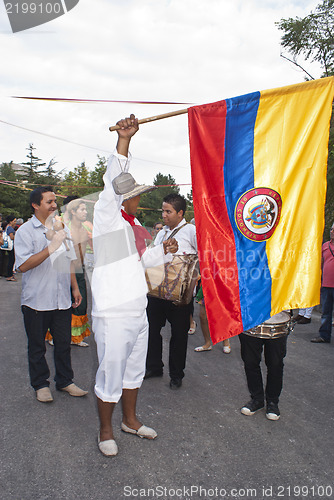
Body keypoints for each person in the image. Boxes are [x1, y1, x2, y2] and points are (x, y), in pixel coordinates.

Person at [91, 114, 178, 457]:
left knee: (133, 370)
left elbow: (139, 264)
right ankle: (105, 429)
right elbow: (113, 183)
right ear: (122, 199)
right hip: (114, 312)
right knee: (110, 372)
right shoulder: (107, 216)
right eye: (136, 194)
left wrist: (163, 251)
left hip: (137, 308)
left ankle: (129, 420)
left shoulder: (133, 225)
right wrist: (125, 142)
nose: (138, 199)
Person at [14, 186, 88, 403]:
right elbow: (23, 266)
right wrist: (51, 247)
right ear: (36, 205)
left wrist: (74, 287)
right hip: (37, 301)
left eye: (55, 201)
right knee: (37, 346)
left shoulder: (62, 229)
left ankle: (65, 381)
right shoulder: (25, 231)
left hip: (61, 300)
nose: (54, 205)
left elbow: (69, 261)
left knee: (64, 345)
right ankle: (40, 384)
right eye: (49, 202)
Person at [145, 193, 197, 389]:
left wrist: (195, 279)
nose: (164, 215)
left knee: (179, 335)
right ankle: (154, 366)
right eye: (163, 211)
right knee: (151, 330)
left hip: (181, 297)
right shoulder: (161, 233)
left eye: (168, 211)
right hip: (157, 292)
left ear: (180, 213)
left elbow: (203, 256)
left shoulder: (190, 231)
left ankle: (176, 375)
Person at [46, 199, 91, 347]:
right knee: (61, 304)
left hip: (80, 270)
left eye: (85, 209)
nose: (85, 212)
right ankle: (54, 334)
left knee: (81, 304)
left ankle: (76, 338)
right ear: (72, 211)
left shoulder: (87, 227)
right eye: (82, 209)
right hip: (65, 270)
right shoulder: (65, 227)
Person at [239, 312, 291, 421]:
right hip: (249, 317)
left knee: (275, 364)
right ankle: (257, 399)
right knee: (250, 362)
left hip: (277, 318)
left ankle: (272, 402)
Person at [311, 222, 334, 343]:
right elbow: (320, 261)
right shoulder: (325, 245)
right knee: (326, 312)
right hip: (326, 284)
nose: (332, 232)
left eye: (333, 230)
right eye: (331, 229)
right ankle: (324, 335)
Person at [194, 284, 231, 353]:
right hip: (207, 284)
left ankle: (225, 340)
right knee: (203, 316)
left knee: (221, 314)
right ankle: (207, 343)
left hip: (221, 282)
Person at [5, 214, 17, 281]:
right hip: (11, 246)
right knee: (11, 260)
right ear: (10, 221)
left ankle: (10, 274)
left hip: (10, 246)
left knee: (11, 260)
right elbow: (11, 237)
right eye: (14, 221)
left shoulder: (8, 227)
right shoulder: (10, 228)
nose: (15, 222)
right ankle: (10, 275)